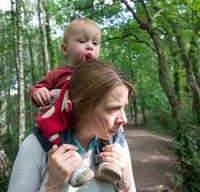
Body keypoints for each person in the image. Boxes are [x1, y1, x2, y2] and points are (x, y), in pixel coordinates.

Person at [8, 60, 137, 192]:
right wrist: (52, 186)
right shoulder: (36, 146)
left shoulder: (118, 146)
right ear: (81, 105)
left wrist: (126, 185)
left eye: (123, 107)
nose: (124, 119)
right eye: (112, 109)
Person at [28, 18, 126, 187]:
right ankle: (75, 168)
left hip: (97, 131)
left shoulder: (101, 75)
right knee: (61, 142)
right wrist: (40, 92)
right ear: (65, 49)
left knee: (114, 137)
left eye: (95, 43)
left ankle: (108, 163)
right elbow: (39, 87)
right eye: (82, 41)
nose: (90, 46)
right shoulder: (59, 73)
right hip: (64, 124)